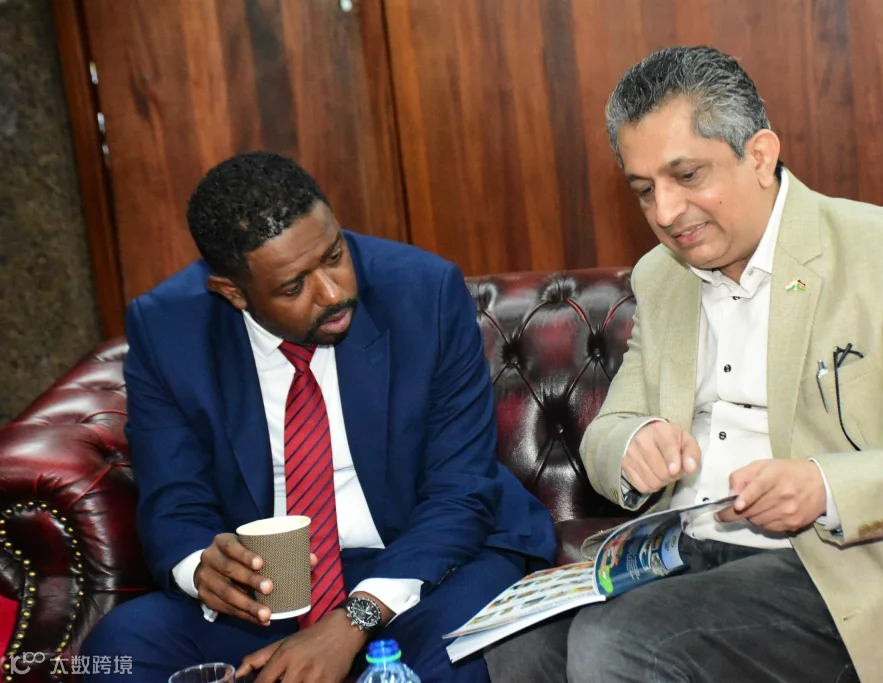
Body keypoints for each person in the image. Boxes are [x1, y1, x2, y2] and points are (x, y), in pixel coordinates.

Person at [484, 46, 883, 683]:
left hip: (851, 565)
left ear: (761, 156)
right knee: (519, 642)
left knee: (621, 642)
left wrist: (826, 487)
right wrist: (633, 443)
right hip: (685, 553)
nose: (665, 213)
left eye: (688, 176)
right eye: (645, 190)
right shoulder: (663, 276)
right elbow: (611, 429)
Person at [81, 151, 556, 683]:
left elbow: (460, 492)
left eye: (334, 256)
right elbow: (174, 500)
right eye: (293, 287)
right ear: (232, 292)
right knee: (119, 650)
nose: (334, 292)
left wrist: (352, 622)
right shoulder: (167, 328)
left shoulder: (425, 292)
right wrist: (204, 569)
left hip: (424, 561)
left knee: (449, 662)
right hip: (271, 589)